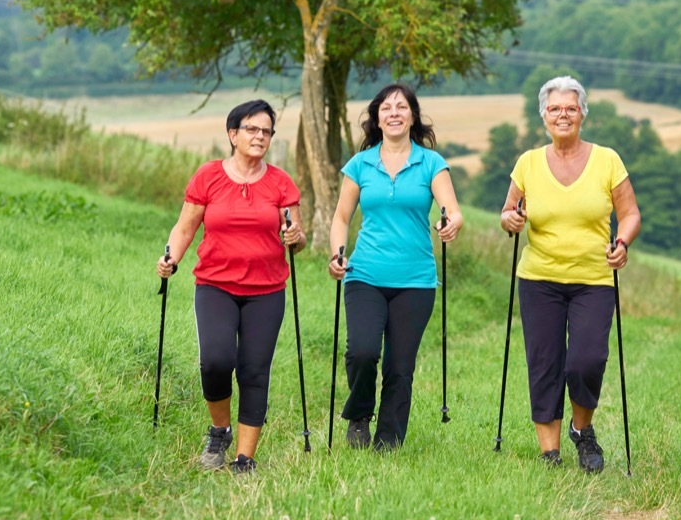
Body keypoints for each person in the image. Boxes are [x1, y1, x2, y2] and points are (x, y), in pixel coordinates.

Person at [500, 75, 641, 473]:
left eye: (571, 108)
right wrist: (511, 220)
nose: (563, 115)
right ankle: (550, 453)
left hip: (593, 279)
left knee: (587, 359)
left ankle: (582, 432)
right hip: (539, 277)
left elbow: (629, 214)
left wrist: (623, 242)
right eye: (555, 108)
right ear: (543, 115)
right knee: (544, 361)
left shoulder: (607, 160)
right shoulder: (527, 163)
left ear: (582, 114)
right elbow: (508, 212)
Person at [156, 99, 305, 475]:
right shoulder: (208, 176)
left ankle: (244, 458)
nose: (260, 137)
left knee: (255, 369)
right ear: (232, 134)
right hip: (215, 285)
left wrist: (296, 236)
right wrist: (170, 257)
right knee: (217, 361)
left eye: (266, 131)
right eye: (252, 129)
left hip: (266, 290)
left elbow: (297, 239)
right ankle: (219, 430)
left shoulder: (281, 183)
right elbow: (185, 226)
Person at [328, 83, 462, 451]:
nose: (394, 113)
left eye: (402, 107)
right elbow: (341, 218)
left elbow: (452, 209)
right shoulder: (360, 164)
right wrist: (339, 254)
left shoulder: (431, 163)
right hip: (365, 274)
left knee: (400, 366)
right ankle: (359, 415)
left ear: (413, 116)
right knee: (363, 352)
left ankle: (389, 439)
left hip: (415, 280)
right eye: (386, 108)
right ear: (377, 118)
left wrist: (450, 222)